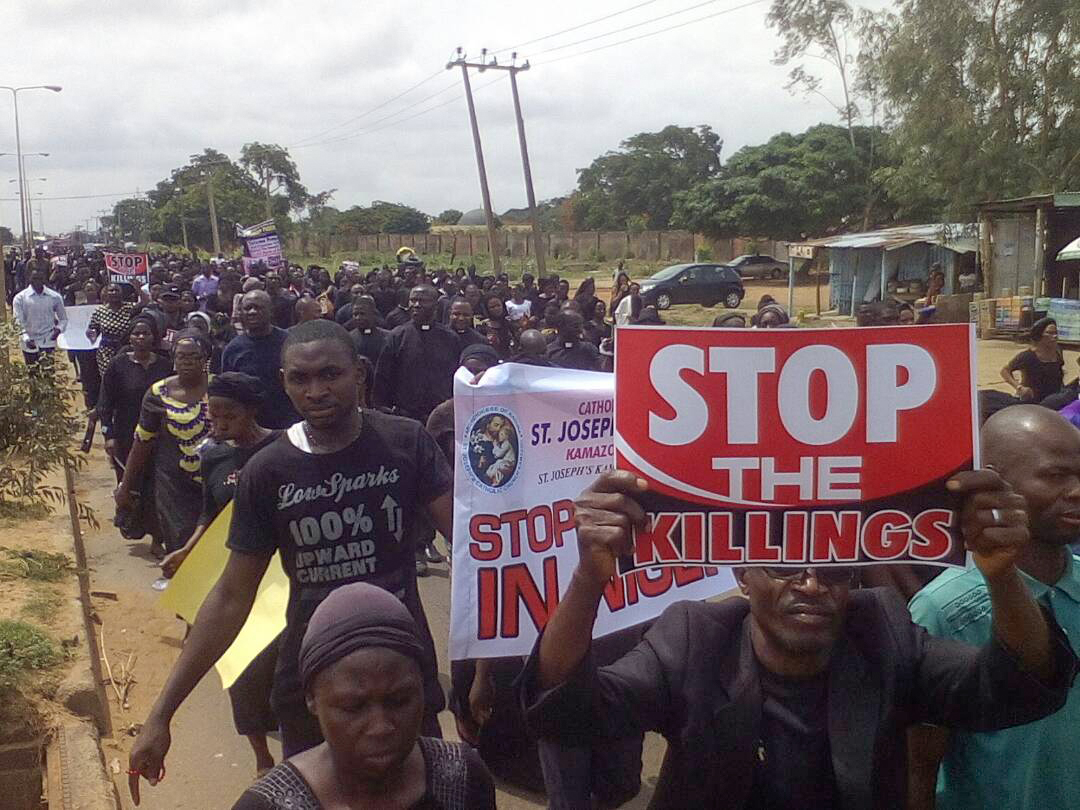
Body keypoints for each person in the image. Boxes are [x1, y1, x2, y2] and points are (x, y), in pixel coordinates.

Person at [521, 469, 1076, 809]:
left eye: (833, 571)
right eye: (786, 567)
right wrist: (588, 577)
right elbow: (565, 711)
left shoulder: (884, 635)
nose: (811, 585)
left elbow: (1018, 688)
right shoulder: (694, 640)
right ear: (742, 577)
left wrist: (1002, 574)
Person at [128, 320, 454, 803]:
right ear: (284, 382)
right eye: (300, 379)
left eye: (330, 375)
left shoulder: (405, 443)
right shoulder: (267, 471)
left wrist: (485, 667)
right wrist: (161, 713)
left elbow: (475, 547)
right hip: (313, 692)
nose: (316, 391)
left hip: (401, 685)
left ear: (358, 373)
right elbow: (232, 596)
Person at [908, 406, 1080, 810]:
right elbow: (919, 764)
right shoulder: (942, 609)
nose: (1076, 490)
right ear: (994, 481)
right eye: (1055, 476)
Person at [231, 583, 495, 810]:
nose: (380, 727)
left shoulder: (462, 778)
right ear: (311, 698)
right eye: (352, 707)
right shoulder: (269, 804)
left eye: (399, 701)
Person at [160, 373, 281, 778]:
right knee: (240, 665)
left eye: (228, 415)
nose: (219, 423)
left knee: (285, 662)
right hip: (237, 572)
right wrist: (188, 550)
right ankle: (262, 754)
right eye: (213, 415)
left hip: (281, 573)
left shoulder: (281, 450)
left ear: (251, 412)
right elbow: (208, 514)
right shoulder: (212, 455)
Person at [115, 330, 212, 557]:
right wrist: (126, 486)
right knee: (181, 538)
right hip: (174, 483)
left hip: (214, 479)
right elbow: (142, 443)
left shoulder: (220, 388)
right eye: (181, 356)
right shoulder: (158, 393)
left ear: (205, 358)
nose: (187, 362)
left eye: (194, 357)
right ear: (173, 358)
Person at [98, 316, 173, 484]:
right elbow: (105, 403)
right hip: (126, 434)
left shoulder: (165, 366)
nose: (141, 337)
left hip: (159, 435)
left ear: (153, 336)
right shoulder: (117, 365)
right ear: (129, 338)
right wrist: (108, 435)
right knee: (127, 481)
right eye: (136, 334)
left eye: (145, 333)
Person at [374, 284, 460, 423]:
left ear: (435, 305)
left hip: (441, 416)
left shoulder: (450, 338)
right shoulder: (397, 336)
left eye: (423, 300)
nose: (416, 305)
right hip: (406, 417)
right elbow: (383, 376)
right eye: (413, 300)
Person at [222, 290, 299, 429]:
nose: (252, 312)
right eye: (247, 308)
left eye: (258, 307)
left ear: (270, 311)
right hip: (251, 428)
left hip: (289, 424)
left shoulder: (290, 342)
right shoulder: (233, 349)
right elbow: (228, 392)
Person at [1001, 317, 1064, 404]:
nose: (1055, 336)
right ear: (1039, 335)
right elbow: (1004, 371)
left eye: (1056, 333)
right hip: (1033, 402)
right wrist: (1019, 387)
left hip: (1055, 399)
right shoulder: (1028, 356)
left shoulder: (1058, 352)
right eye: (1049, 333)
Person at [13, 267, 68, 366]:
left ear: (44, 279)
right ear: (30, 278)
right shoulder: (20, 298)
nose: (38, 281)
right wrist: (25, 338)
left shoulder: (55, 297)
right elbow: (18, 321)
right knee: (33, 374)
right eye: (35, 278)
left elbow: (63, 319)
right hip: (29, 341)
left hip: (48, 340)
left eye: (40, 278)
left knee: (48, 374)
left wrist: (58, 330)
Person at [87, 281, 137, 377]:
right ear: (106, 294)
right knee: (108, 379)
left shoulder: (130, 308)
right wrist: (91, 334)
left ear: (121, 293)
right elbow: (93, 328)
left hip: (126, 349)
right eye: (111, 290)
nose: (114, 292)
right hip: (106, 352)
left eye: (116, 290)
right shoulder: (100, 311)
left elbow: (145, 303)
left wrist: (138, 288)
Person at [347, 295, 390, 364]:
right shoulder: (349, 339)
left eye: (362, 314)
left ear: (372, 314)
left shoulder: (387, 338)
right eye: (355, 314)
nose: (358, 317)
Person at [477, 292, 517, 358]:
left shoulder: (509, 324)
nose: (496, 309)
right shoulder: (482, 326)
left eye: (498, 305)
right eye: (492, 307)